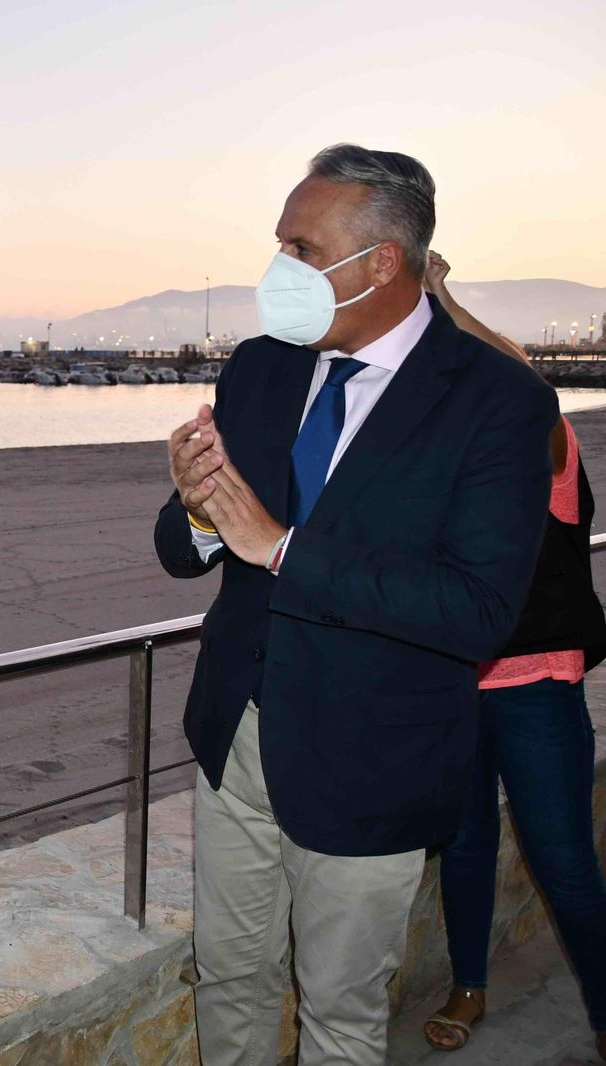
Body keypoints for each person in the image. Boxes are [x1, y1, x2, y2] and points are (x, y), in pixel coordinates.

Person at [155, 144, 558, 1066]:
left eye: (302, 249)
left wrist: (282, 548)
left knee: (340, 1011)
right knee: (231, 977)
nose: (279, 269)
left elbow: (475, 610)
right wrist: (196, 513)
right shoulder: (260, 368)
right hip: (237, 738)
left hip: (370, 755)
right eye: (280, 245)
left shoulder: (499, 403)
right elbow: (188, 546)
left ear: (382, 262)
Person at [418, 251, 606, 1058]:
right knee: (463, 844)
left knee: (563, 858)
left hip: (537, 690)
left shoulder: (551, 450)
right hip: (458, 687)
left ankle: (603, 1011)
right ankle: (468, 986)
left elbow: (519, 377)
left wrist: (440, 293)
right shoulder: (463, 471)